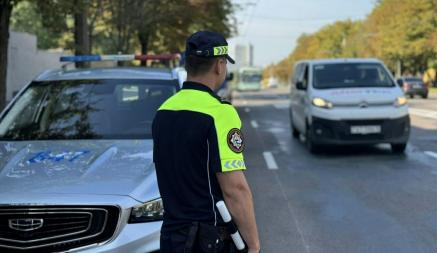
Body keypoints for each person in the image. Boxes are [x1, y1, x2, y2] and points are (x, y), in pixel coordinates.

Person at [152, 30, 260, 253]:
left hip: (171, 237)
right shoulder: (219, 113)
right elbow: (235, 189)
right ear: (220, 65)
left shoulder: (163, 111)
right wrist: (254, 245)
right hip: (207, 240)